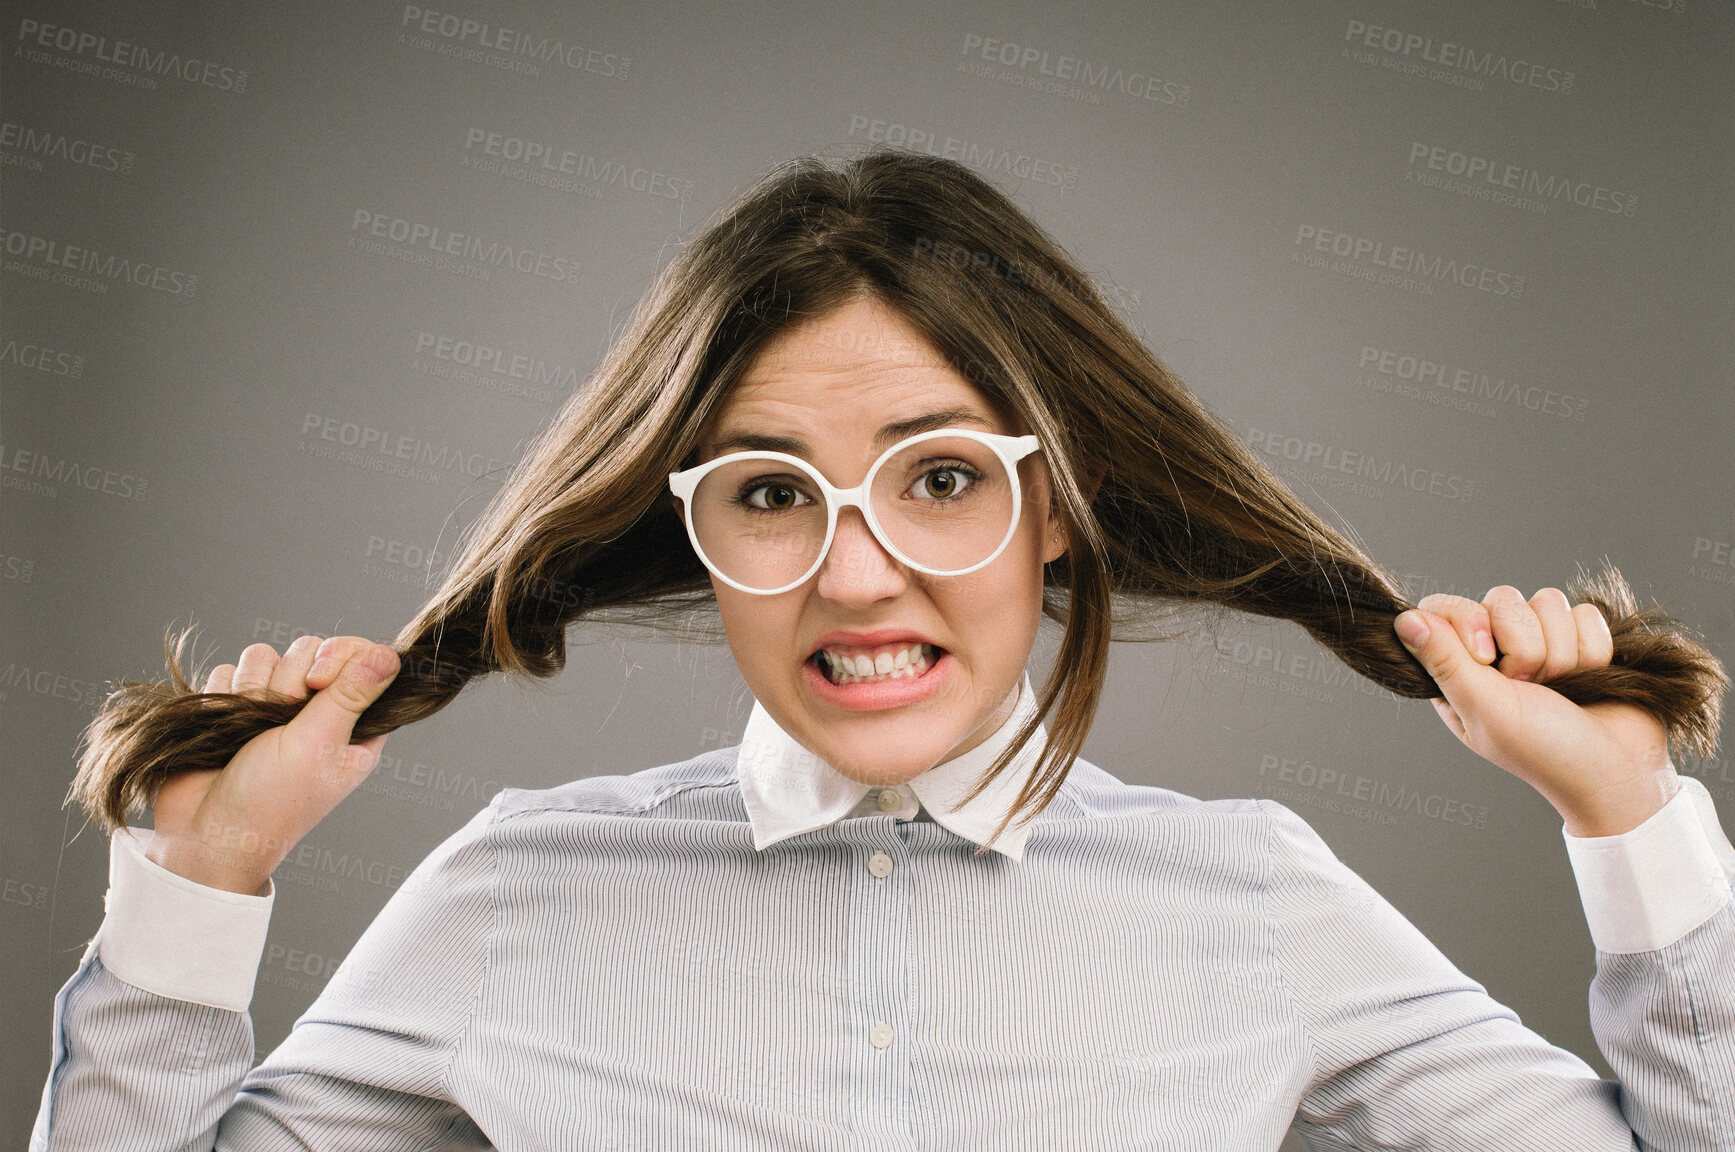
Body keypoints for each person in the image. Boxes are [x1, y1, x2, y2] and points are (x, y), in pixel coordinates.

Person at [32, 148, 1733, 1149]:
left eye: (940, 478)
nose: (859, 579)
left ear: (1058, 505)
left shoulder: (1259, 900)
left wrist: (1631, 829)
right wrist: (208, 875)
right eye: (774, 493)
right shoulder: (516, 894)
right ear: (692, 524)